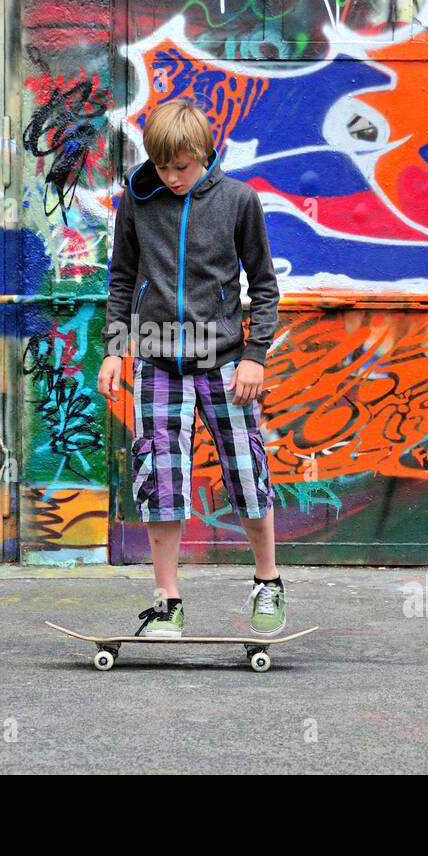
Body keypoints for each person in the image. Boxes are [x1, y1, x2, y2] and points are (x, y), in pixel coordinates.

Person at [97, 98, 283, 638]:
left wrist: (254, 355)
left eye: (183, 166)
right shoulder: (137, 200)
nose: (172, 177)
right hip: (157, 362)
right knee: (162, 481)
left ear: (203, 154)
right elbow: (122, 280)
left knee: (247, 473)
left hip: (225, 362)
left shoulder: (238, 202)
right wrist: (115, 348)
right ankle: (166, 602)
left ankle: (268, 582)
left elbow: (264, 287)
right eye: (162, 167)